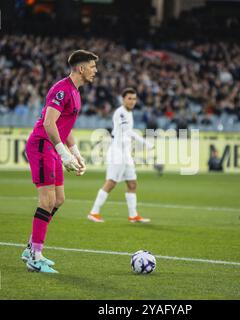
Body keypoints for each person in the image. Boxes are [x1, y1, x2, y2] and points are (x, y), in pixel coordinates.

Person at [21, 50, 98, 273]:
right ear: (81, 68)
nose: (95, 71)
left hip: (53, 147)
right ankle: (35, 257)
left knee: (59, 199)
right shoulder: (62, 89)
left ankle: (30, 248)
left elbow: (65, 125)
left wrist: (74, 151)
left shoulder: (75, 92)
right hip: (42, 144)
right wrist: (62, 152)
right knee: (46, 200)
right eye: (92, 66)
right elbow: (48, 123)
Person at [88, 88, 153, 223]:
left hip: (126, 154)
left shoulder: (129, 113)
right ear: (123, 99)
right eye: (129, 98)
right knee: (111, 183)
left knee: (132, 183)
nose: (132, 101)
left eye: (134, 99)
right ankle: (94, 212)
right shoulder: (121, 113)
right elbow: (127, 131)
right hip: (117, 153)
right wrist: (145, 142)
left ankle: (133, 215)